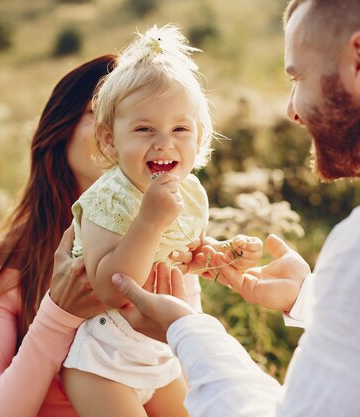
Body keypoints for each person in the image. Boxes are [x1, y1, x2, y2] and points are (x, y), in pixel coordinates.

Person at [108, 1, 360, 416]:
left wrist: (185, 329)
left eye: (298, 77)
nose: (292, 110)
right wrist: (313, 300)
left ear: (359, 61)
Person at [0, 54, 203, 417]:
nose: (158, 139)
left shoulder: (164, 236)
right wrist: (59, 314)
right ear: (65, 130)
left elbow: (194, 390)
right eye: (103, 111)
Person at [58, 25, 265, 417]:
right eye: (144, 129)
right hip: (104, 365)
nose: (164, 142)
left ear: (200, 137)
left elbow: (183, 257)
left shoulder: (188, 192)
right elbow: (107, 289)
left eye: (180, 129)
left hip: (162, 352)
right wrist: (148, 223)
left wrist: (220, 254)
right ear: (109, 140)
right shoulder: (107, 198)